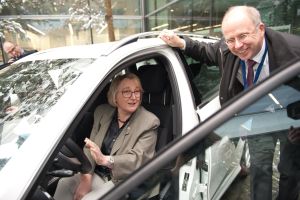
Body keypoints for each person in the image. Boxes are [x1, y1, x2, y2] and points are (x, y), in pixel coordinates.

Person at [159, 5, 300, 200]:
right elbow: (206, 51)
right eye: (230, 39)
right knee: (260, 169)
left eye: (243, 36)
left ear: (260, 29)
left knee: (290, 170)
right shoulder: (228, 50)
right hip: (257, 120)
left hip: (292, 120)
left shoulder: (295, 51)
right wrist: (180, 42)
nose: (237, 45)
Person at [54, 73, 160, 200]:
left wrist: (106, 160)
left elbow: (138, 161)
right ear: (115, 96)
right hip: (97, 173)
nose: (134, 97)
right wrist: (86, 178)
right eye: (127, 92)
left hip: (125, 179)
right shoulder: (102, 112)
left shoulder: (149, 122)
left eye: (137, 92)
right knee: (64, 184)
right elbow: (90, 147)